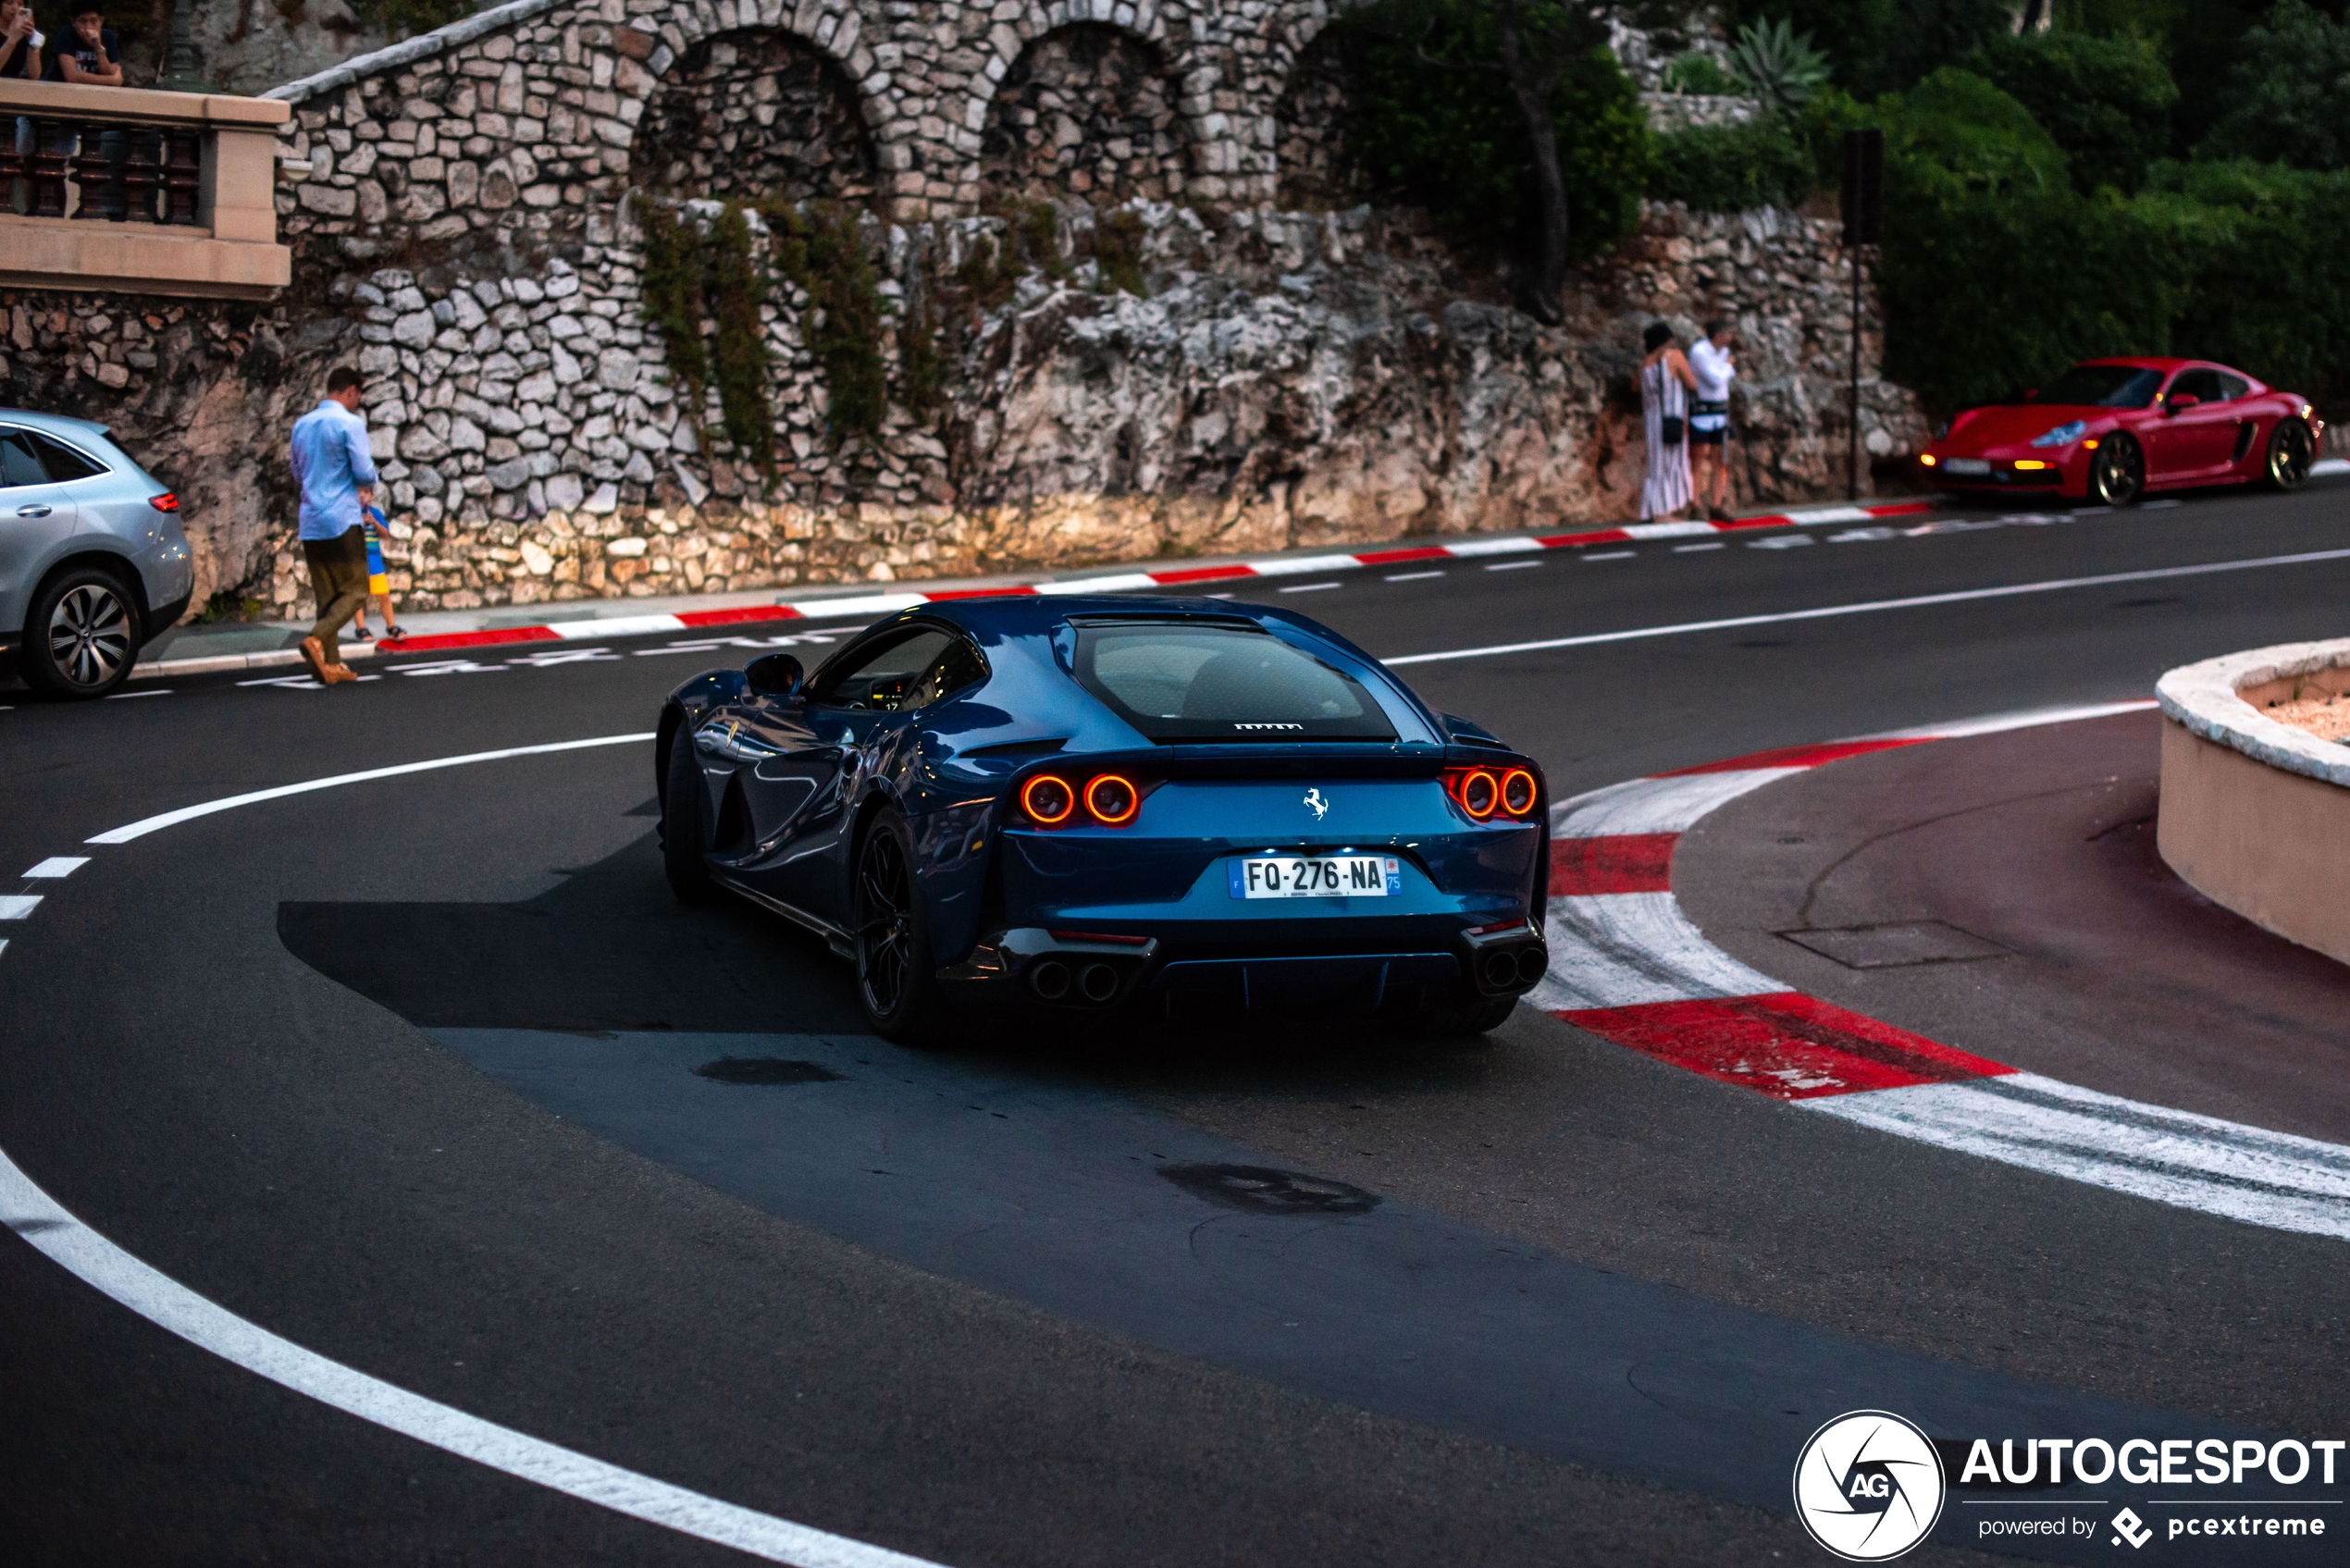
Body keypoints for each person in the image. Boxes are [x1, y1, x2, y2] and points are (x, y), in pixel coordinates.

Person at [288, 367, 379, 685]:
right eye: (358, 396)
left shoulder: (301, 425)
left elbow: (297, 474)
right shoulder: (349, 424)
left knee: (326, 597)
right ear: (351, 391)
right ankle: (316, 639)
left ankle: (332, 664)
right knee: (357, 588)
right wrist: (368, 482)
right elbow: (364, 472)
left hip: (310, 519)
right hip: (341, 516)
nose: (358, 402)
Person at [1638, 320, 1698, 521]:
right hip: (1672, 418)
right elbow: (1692, 383)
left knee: (1656, 466)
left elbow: (1634, 388)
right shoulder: (1674, 357)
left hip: (1651, 421)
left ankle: (1649, 509)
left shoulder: (1644, 363)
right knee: (1674, 463)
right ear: (1667, 340)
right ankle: (1663, 511)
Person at [1688, 321, 1737, 523]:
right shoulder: (1699, 352)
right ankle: (1696, 505)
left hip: (1720, 411)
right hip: (1702, 410)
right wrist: (1729, 367)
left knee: (1720, 460)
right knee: (1697, 460)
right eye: (1728, 333)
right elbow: (1715, 379)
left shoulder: (1724, 352)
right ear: (1718, 335)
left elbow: (1722, 379)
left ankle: (1716, 504)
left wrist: (1726, 367)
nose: (1730, 338)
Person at [348, 504, 406, 644]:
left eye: (367, 492)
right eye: (360, 492)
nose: (363, 496)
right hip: (357, 561)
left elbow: (385, 534)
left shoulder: (375, 513)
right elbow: (347, 535)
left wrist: (374, 522)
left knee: (384, 595)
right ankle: (361, 628)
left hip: (375, 562)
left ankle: (391, 626)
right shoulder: (350, 513)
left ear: (371, 495)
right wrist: (360, 522)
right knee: (358, 598)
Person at [43, 6, 119, 84]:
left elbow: (111, 73)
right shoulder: (66, 33)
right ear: (73, 22)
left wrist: (98, 47)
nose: (88, 27)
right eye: (83, 21)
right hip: (58, 88)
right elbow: (71, 77)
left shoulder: (108, 36)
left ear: (101, 21)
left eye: (94, 21)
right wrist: (112, 80)